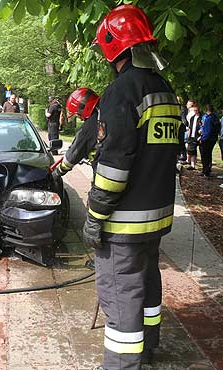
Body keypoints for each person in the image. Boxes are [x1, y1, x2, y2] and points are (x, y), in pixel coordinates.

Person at [89, 5, 184, 370]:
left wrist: (94, 216)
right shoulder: (166, 91)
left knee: (121, 295)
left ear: (113, 47)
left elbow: (114, 167)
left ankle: (122, 365)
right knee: (147, 285)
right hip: (157, 219)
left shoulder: (121, 92)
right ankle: (150, 347)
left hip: (124, 225)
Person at [51, 88, 101, 179]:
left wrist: (57, 172)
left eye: (78, 114)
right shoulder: (107, 113)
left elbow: (73, 154)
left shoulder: (89, 127)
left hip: (104, 172)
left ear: (84, 108)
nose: (80, 118)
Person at [199, 104, 219, 177]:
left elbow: (207, 131)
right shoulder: (214, 117)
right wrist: (201, 129)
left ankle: (205, 171)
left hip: (207, 139)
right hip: (212, 139)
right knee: (208, 154)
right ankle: (207, 169)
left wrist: (202, 139)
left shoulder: (208, 118)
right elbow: (203, 126)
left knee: (205, 155)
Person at [186, 106, 201, 170]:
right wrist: (188, 136)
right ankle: (191, 163)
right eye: (194, 110)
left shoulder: (201, 118)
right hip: (191, 136)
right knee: (191, 150)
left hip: (197, 136)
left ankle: (191, 163)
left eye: (196, 110)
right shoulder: (192, 118)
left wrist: (200, 136)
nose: (195, 111)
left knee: (192, 149)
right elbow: (190, 128)